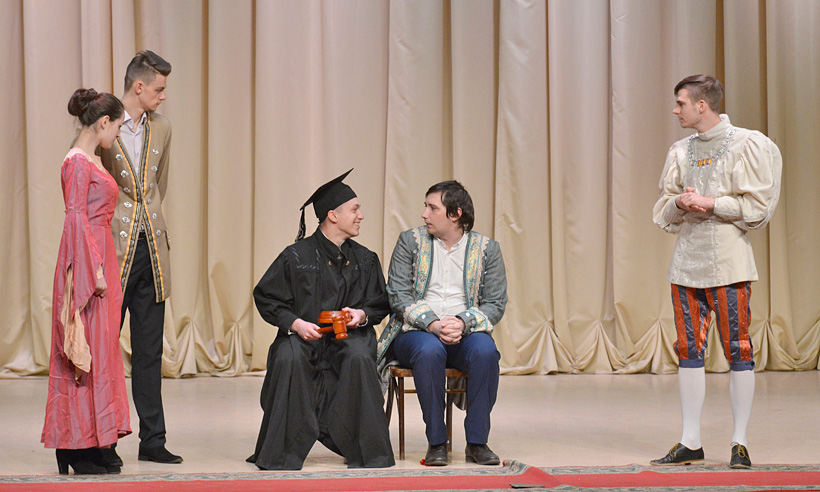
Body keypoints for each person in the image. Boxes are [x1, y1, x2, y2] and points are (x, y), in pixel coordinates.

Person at [651, 75, 781, 469]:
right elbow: (663, 209)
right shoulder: (681, 150)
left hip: (728, 264)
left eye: (681, 103)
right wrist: (680, 203)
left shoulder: (746, 143)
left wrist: (711, 203)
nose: (676, 110)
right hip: (686, 265)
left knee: (738, 349)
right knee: (688, 351)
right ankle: (690, 440)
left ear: (701, 105)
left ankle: (740, 442)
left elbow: (757, 209)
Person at [248, 169, 394, 470]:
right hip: (304, 337)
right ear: (333, 215)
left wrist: (361, 315)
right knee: (289, 357)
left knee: (358, 356)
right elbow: (267, 297)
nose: (361, 216)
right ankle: (281, 454)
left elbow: (380, 303)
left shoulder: (365, 259)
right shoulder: (295, 256)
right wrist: (296, 324)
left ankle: (367, 452)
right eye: (355, 210)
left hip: (349, 337)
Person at [377, 181, 507, 466]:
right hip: (416, 331)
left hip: (465, 331)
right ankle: (437, 442)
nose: (424, 214)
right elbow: (398, 295)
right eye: (425, 207)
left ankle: (477, 442)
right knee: (429, 351)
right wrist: (433, 324)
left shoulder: (487, 249)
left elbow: (495, 303)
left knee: (485, 351)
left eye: (432, 208)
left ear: (455, 214)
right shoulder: (410, 241)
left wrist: (462, 323)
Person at [41, 89, 131, 475]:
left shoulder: (91, 158)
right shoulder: (77, 162)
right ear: (103, 122)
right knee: (81, 351)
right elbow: (75, 218)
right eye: (118, 127)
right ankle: (73, 445)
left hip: (100, 256)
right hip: (88, 261)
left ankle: (94, 440)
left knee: (101, 350)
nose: (119, 135)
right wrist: (92, 272)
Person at [98, 50, 181, 465]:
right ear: (139, 86)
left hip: (153, 251)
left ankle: (153, 440)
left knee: (149, 352)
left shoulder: (162, 127)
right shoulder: (104, 122)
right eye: (159, 89)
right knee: (105, 349)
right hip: (114, 253)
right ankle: (103, 440)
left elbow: (157, 186)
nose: (163, 96)